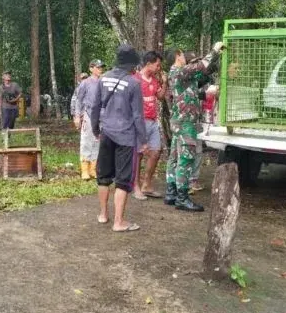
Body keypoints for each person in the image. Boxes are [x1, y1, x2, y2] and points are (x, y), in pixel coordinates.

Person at [89, 44, 146, 232]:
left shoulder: (102, 79)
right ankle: (119, 222)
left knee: (103, 175)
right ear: (132, 64)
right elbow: (138, 115)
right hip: (125, 137)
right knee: (123, 179)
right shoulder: (133, 83)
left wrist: (96, 129)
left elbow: (95, 107)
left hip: (106, 132)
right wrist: (143, 139)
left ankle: (103, 214)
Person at [164, 43, 224, 212]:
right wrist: (215, 50)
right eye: (183, 55)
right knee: (186, 158)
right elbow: (201, 65)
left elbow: (191, 91)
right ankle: (182, 198)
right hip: (185, 122)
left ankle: (171, 192)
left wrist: (208, 92)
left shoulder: (178, 75)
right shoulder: (179, 71)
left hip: (179, 121)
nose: (185, 59)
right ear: (178, 55)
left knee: (175, 157)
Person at [132, 51, 165, 200]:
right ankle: (135, 186)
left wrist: (165, 83)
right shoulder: (135, 79)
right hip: (139, 122)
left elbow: (160, 96)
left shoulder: (154, 80)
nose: (159, 67)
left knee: (156, 152)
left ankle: (147, 184)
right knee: (138, 154)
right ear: (148, 64)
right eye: (157, 64)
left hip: (152, 121)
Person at [75, 61, 104, 180]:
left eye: (101, 67)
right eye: (97, 67)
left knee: (97, 141)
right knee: (86, 141)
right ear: (91, 68)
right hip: (88, 114)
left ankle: (93, 168)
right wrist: (77, 116)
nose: (100, 69)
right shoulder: (85, 83)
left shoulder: (103, 82)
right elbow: (79, 100)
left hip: (102, 116)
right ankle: (85, 169)